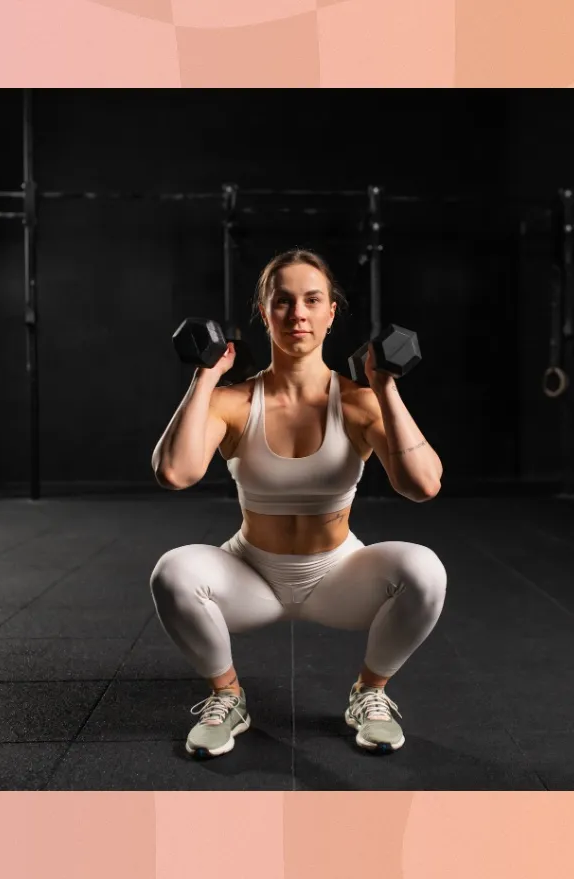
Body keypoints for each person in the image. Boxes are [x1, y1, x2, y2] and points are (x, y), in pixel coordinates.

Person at [149, 248, 446, 758]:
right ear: (263, 313)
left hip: (338, 576)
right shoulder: (235, 401)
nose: (297, 314)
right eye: (282, 301)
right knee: (172, 572)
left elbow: (422, 485)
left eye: (312, 300)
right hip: (252, 576)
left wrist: (385, 389)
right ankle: (228, 697)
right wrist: (204, 379)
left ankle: (370, 693)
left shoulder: (358, 401)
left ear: (332, 313)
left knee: (425, 569)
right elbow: (175, 473)